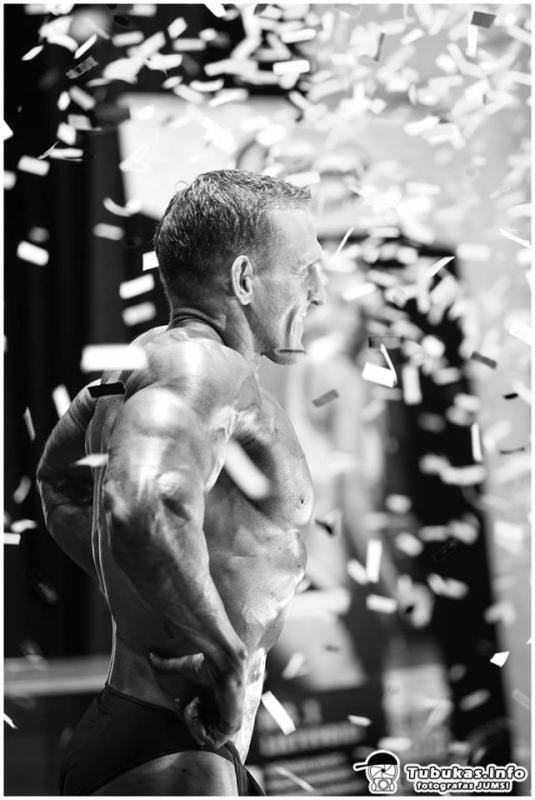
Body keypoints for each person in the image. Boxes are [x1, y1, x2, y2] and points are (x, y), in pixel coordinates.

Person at [36, 169, 326, 796]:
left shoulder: (145, 364)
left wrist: (150, 588)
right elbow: (145, 504)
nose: (319, 292)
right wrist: (226, 659)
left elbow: (58, 485)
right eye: (305, 270)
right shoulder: (203, 367)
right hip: (175, 748)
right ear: (245, 279)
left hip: (170, 736)